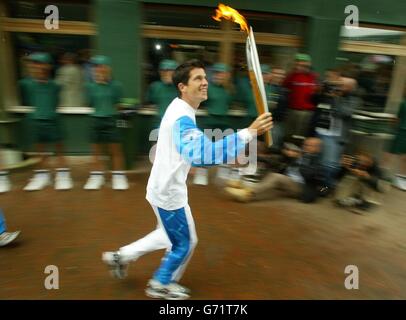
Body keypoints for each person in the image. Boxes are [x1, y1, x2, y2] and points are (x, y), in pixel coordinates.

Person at [102, 59, 273, 300]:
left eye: (205, 78)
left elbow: (189, 151)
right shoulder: (182, 116)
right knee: (184, 243)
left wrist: (186, 161)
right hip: (168, 193)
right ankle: (160, 283)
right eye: (198, 79)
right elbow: (203, 155)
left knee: (168, 234)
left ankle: (121, 256)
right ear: (182, 86)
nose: (205, 83)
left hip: (164, 187)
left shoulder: (180, 109)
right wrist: (250, 132)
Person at [19, 52, 73, 191]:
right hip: (36, 120)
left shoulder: (56, 85)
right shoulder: (25, 84)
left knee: (60, 150)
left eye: (40, 63)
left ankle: (63, 175)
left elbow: (57, 101)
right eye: (34, 63)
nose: (37, 67)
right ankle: (42, 176)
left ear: (48, 66)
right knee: (39, 151)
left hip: (53, 119)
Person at [84, 55, 129, 190]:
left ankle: (119, 176)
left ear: (107, 68)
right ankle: (96, 177)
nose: (98, 69)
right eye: (95, 67)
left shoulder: (116, 86)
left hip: (111, 119)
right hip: (95, 120)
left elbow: (118, 104)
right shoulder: (90, 87)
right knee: (96, 152)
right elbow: (90, 103)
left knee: (116, 150)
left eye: (101, 66)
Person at [284, 53, 318, 141]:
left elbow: (318, 92)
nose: (300, 66)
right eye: (298, 63)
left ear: (308, 64)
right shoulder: (292, 75)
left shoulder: (314, 76)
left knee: (301, 136)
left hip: (307, 112)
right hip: (292, 110)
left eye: (303, 63)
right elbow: (284, 86)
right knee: (289, 135)